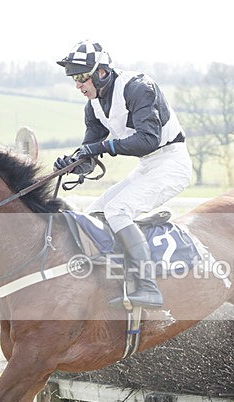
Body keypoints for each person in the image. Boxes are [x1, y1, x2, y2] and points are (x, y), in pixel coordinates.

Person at [54, 40, 192, 309]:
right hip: (147, 167)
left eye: (82, 77)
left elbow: (148, 140)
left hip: (171, 163)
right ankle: (114, 279)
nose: (78, 85)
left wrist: (101, 146)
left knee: (117, 210)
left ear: (101, 72)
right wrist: (72, 163)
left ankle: (149, 288)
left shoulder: (138, 87)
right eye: (74, 79)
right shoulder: (93, 106)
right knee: (95, 213)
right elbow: (89, 157)